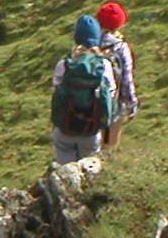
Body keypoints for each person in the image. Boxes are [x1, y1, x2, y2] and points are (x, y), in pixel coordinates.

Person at [49, 14, 118, 165]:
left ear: (76, 38)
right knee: (87, 174)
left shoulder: (64, 65)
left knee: (65, 174)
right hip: (91, 131)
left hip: (64, 130)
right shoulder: (104, 65)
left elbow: (56, 93)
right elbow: (112, 94)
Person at [95, 0, 138, 157]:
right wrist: (131, 105)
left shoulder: (85, 44)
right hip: (113, 106)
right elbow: (126, 79)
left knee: (89, 148)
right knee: (108, 149)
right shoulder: (120, 47)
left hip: (86, 106)